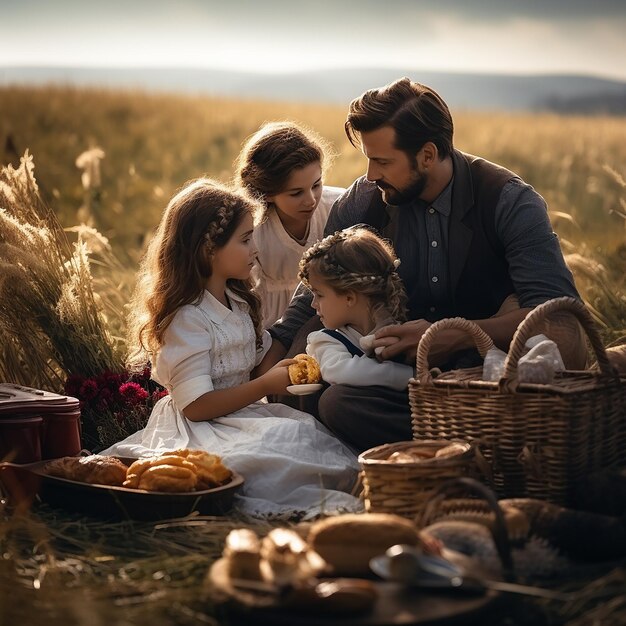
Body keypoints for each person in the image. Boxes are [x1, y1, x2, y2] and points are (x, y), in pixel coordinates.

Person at [260, 77, 586, 453]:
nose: (370, 174)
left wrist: (458, 333)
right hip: (397, 382)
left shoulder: (509, 201)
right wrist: (260, 384)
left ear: (427, 155)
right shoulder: (363, 202)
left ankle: (482, 444)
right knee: (332, 395)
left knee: (338, 405)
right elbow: (307, 301)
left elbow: (561, 317)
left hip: (484, 382)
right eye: (369, 159)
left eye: (383, 161)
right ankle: (479, 449)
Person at [101, 178, 360, 517]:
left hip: (242, 415)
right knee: (250, 464)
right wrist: (266, 386)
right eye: (245, 239)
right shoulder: (188, 317)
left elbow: (255, 363)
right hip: (200, 426)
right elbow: (196, 406)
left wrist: (292, 364)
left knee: (302, 439)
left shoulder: (239, 302)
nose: (255, 249)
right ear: (209, 248)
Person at [235, 121, 344, 328]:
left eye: (316, 185)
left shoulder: (338, 207)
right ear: (267, 194)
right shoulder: (250, 226)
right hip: (269, 328)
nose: (311, 200)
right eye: (296, 193)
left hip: (330, 324)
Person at [299, 226, 413, 391]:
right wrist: (413, 376)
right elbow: (344, 372)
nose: (313, 304)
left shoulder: (399, 329)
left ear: (349, 297)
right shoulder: (325, 341)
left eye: (320, 295)